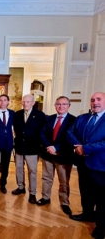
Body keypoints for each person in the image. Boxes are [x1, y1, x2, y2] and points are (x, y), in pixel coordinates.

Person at [68, 92, 105, 239]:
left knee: (102, 198)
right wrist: (78, 146)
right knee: (86, 192)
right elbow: (70, 132)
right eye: (92, 100)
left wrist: (86, 148)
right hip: (83, 163)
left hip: (100, 165)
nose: (95, 102)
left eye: (99, 99)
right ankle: (87, 214)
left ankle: (101, 226)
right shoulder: (83, 118)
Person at [37, 96, 75, 215]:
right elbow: (42, 134)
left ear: (69, 106)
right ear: (55, 105)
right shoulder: (49, 119)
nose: (61, 106)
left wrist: (56, 147)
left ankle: (64, 203)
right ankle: (45, 197)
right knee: (46, 178)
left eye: (64, 104)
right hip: (48, 154)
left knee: (64, 181)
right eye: (58, 104)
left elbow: (70, 138)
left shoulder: (74, 120)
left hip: (63, 155)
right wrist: (49, 146)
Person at [12, 94, 46, 204]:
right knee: (19, 168)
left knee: (32, 171)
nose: (25, 103)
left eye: (28, 101)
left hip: (32, 147)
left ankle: (32, 193)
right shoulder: (17, 114)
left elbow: (42, 132)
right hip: (19, 147)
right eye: (24, 101)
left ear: (33, 103)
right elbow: (15, 129)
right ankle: (21, 187)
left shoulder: (40, 115)